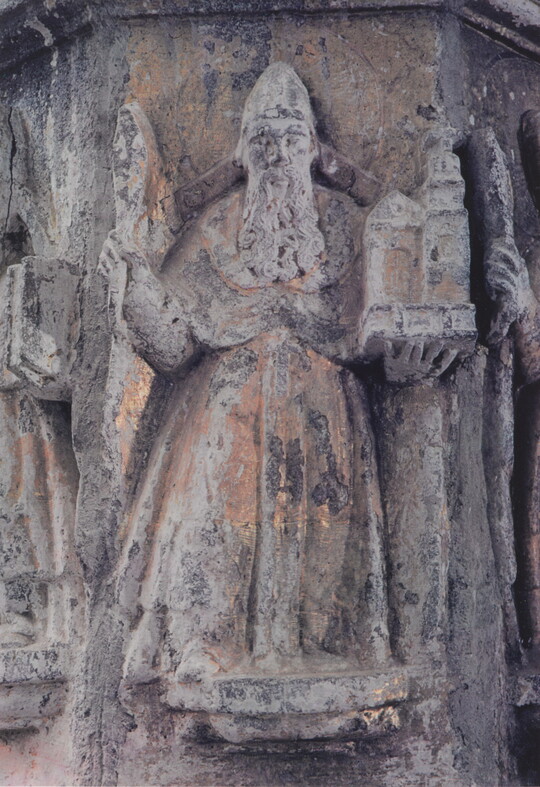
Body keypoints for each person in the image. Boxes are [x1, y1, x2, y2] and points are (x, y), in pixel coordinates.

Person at [103, 63, 450, 687]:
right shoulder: (214, 231)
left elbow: (380, 328)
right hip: (223, 420)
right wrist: (138, 298)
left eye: (291, 138)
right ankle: (198, 642)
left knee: (326, 541)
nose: (278, 155)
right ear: (241, 150)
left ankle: (332, 641)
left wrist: (404, 366)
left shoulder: (347, 225)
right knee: (211, 523)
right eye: (262, 139)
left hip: (326, 417)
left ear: (315, 147)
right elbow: (176, 348)